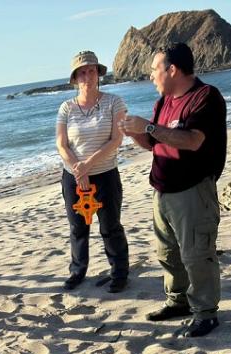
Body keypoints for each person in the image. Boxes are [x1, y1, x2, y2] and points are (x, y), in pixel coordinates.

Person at [121, 42, 228, 338]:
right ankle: (178, 301)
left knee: (197, 254)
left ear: (172, 69)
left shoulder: (206, 97)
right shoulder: (163, 102)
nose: (151, 76)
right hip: (162, 189)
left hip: (194, 190)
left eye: (155, 70)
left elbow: (192, 140)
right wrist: (134, 133)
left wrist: (150, 128)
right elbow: (154, 144)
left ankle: (206, 312)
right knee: (168, 253)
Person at [55, 51, 129, 293]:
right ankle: (78, 271)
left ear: (98, 74)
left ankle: (119, 272)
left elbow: (116, 140)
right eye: (82, 72)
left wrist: (88, 164)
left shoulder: (114, 102)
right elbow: (61, 144)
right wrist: (78, 168)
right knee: (78, 227)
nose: (87, 75)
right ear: (75, 78)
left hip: (106, 173)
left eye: (92, 70)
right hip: (73, 177)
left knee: (110, 226)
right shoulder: (66, 107)